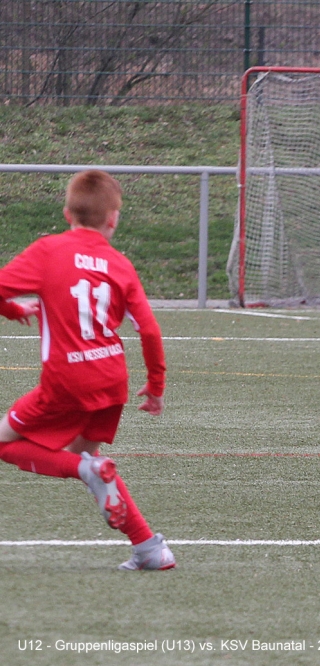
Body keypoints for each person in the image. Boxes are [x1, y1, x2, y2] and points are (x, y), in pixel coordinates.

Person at [0, 169, 175, 571]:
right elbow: (149, 329)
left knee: (5, 443)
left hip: (65, 382)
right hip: (111, 380)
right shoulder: (119, 263)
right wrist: (156, 385)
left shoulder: (48, 250)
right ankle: (148, 548)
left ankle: (86, 470)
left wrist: (11, 310)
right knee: (91, 460)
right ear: (113, 218)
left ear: (67, 214)